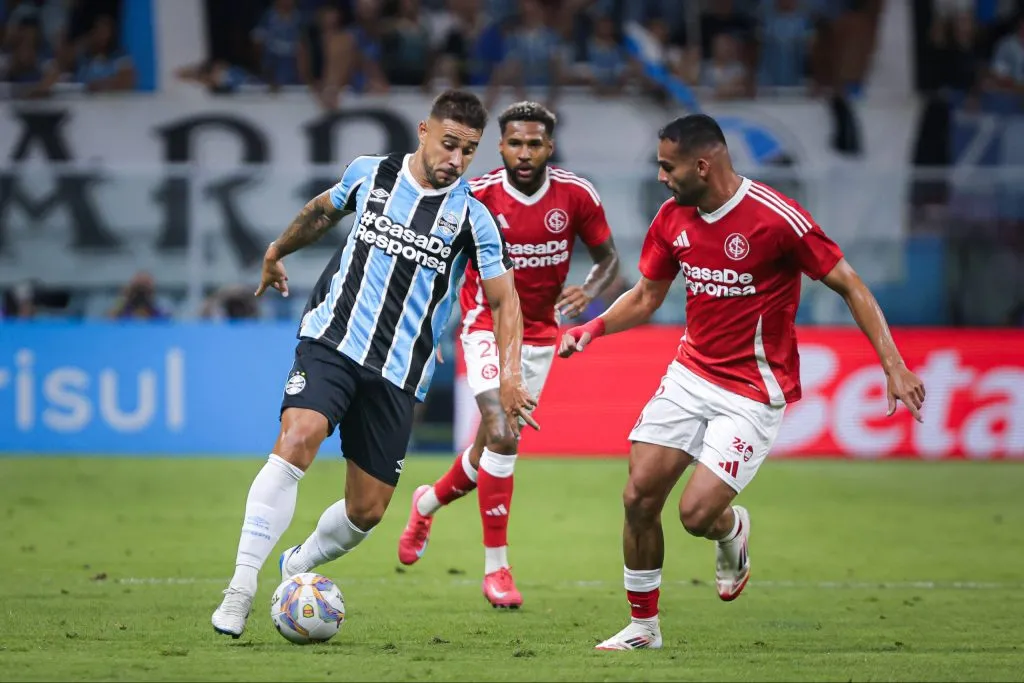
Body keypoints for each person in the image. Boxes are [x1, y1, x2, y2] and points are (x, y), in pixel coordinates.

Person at [558, 114, 926, 650]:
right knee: (639, 496)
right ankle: (643, 627)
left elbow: (849, 283)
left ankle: (731, 531)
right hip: (690, 374)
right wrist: (592, 327)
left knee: (695, 514)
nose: (661, 176)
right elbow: (646, 296)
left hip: (751, 392)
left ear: (702, 165)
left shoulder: (778, 220)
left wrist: (892, 362)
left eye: (668, 166)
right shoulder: (672, 218)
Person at [211, 89, 538, 639]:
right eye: (449, 144)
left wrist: (510, 375)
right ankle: (240, 590)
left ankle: (297, 564)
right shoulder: (372, 174)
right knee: (297, 439)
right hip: (332, 340)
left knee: (367, 512)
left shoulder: (473, 219)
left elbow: (507, 302)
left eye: (469, 150)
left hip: (398, 371)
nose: (456, 160)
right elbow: (320, 212)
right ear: (424, 131)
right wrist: (276, 251)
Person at [396, 101, 620, 609]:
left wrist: (587, 290)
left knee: (488, 452)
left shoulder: (576, 195)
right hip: (482, 324)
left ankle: (426, 501)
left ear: (549, 147)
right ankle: (497, 570)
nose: (524, 153)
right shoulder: (475, 195)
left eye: (534, 144)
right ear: (500, 146)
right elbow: (433, 258)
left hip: (540, 336)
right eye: (515, 143)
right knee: (501, 435)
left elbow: (609, 260)